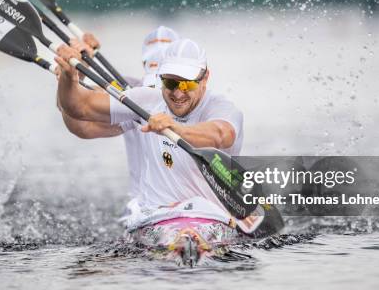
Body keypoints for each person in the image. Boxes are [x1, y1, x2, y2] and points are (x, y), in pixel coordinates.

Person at [55, 38, 244, 229]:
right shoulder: (145, 100)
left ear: (205, 78)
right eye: (170, 82)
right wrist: (69, 76)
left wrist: (175, 127)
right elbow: (78, 107)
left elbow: (221, 134)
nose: (178, 93)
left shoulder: (222, 109)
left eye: (187, 84)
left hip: (211, 215)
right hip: (156, 216)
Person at [57, 26, 179, 198]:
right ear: (144, 64)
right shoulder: (128, 92)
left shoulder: (201, 100)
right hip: (144, 206)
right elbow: (77, 118)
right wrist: (73, 74)